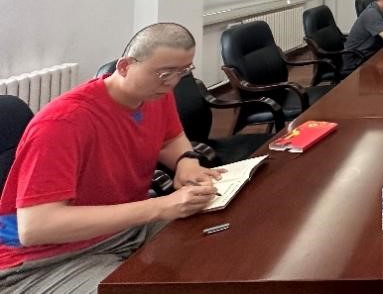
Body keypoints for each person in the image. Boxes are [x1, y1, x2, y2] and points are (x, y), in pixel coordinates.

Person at [0, 23, 224, 294]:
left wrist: (186, 161)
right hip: (42, 261)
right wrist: (160, 207)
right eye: (164, 73)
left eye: (183, 71)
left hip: (123, 229)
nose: (172, 83)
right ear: (125, 66)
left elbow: (170, 138)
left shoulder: (155, 95)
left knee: (215, 239)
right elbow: (36, 227)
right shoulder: (63, 123)